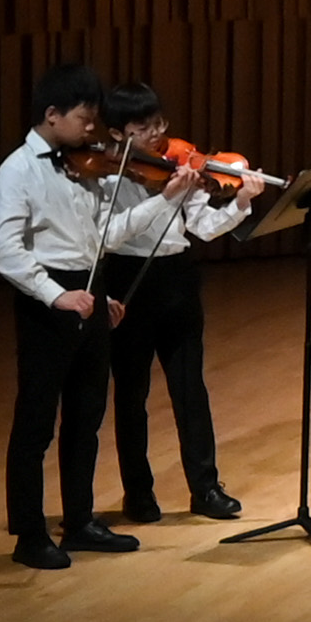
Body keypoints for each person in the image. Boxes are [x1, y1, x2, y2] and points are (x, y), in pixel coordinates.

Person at [0, 64, 131, 566]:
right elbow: (4, 251)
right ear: (52, 116)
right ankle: (29, 535)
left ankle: (80, 521)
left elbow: (95, 236)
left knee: (86, 418)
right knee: (36, 424)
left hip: (87, 293)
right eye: (84, 119)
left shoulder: (79, 167)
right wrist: (56, 295)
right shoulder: (17, 171)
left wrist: (98, 292)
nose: (92, 130)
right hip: (46, 303)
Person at [87, 83, 246, 524]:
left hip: (178, 276)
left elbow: (205, 226)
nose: (158, 133)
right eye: (144, 127)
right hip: (127, 278)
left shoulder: (176, 165)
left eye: (159, 123)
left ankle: (206, 487)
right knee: (132, 393)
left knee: (190, 388)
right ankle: (138, 492)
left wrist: (242, 204)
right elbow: (110, 236)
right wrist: (165, 198)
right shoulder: (103, 176)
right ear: (118, 133)